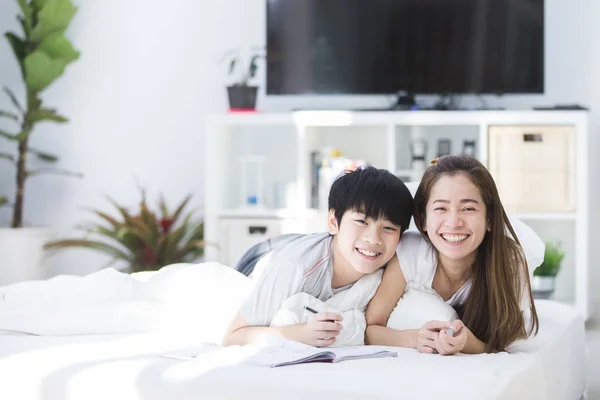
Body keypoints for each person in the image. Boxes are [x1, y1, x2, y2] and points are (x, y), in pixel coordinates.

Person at [222, 166, 414, 347]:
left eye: (388, 228)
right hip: (261, 258)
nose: (374, 239)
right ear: (333, 221)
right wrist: (301, 334)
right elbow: (233, 337)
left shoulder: (397, 262)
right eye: (361, 221)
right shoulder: (293, 267)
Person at [365, 155, 539, 354]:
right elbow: (370, 329)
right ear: (423, 219)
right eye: (441, 208)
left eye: (468, 208)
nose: (454, 222)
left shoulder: (509, 262)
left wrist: (466, 342)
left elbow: (502, 343)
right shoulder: (411, 254)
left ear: (489, 218)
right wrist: (415, 338)